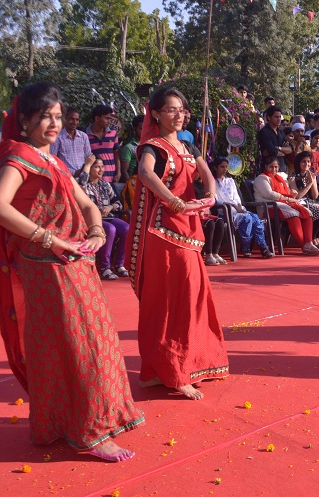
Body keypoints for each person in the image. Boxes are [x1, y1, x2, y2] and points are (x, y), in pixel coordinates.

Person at [0, 81, 144, 461]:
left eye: (57, 116)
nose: (54, 124)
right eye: (45, 117)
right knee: (77, 345)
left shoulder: (51, 160)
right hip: (47, 266)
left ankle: (61, 423)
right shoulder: (19, 157)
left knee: (81, 342)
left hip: (75, 261)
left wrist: (97, 231)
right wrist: (49, 239)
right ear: (25, 121)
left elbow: (87, 204)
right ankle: (91, 430)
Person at [127, 86, 229, 399]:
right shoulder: (152, 147)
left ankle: (165, 368)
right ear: (156, 114)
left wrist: (210, 194)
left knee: (191, 297)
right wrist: (171, 199)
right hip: (165, 231)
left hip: (189, 229)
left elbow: (206, 173)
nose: (178, 115)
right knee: (172, 300)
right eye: (171, 109)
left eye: (181, 109)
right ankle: (173, 370)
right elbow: (145, 173)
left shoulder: (187, 144)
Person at [254, 155, 319, 255]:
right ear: (266, 167)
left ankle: (309, 243)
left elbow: (285, 192)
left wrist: (291, 194)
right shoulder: (261, 178)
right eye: (271, 167)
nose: (274, 169)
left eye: (276, 167)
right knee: (292, 214)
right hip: (268, 207)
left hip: (283, 204)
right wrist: (288, 198)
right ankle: (303, 245)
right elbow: (269, 194)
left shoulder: (279, 178)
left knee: (307, 213)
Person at [75, 158, 129, 280]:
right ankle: (104, 267)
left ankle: (119, 264)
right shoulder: (83, 184)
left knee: (126, 228)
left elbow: (118, 203)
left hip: (107, 217)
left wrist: (110, 207)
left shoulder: (105, 184)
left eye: (102, 167)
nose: (101, 170)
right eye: (97, 167)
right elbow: (81, 185)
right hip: (92, 220)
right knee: (110, 229)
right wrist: (87, 165)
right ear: (89, 169)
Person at [211, 157, 274, 258]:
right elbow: (215, 200)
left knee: (256, 219)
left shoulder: (230, 181)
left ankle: (263, 248)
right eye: (222, 167)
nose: (225, 169)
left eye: (226, 167)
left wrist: (239, 206)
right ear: (215, 167)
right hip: (225, 211)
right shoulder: (212, 182)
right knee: (247, 219)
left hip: (237, 209)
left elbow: (236, 197)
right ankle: (246, 247)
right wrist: (233, 205)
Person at [288, 151, 319, 248]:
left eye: (308, 161)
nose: (306, 164)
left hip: (312, 201)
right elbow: (298, 196)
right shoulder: (292, 177)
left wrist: (313, 180)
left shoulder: (311, 175)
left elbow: (315, 196)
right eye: (303, 161)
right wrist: (310, 184)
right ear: (298, 163)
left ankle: (316, 235)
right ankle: (312, 238)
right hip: (300, 203)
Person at [51, 107, 94, 175]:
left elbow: (89, 157)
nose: (75, 122)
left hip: (83, 176)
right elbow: (53, 160)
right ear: (65, 119)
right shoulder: (57, 137)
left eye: (77, 120)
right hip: (66, 176)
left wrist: (85, 170)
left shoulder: (83, 136)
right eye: (72, 119)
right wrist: (74, 172)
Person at [85, 105, 121, 183]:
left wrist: (118, 173)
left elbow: (116, 154)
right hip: (93, 180)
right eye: (106, 118)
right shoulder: (84, 135)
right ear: (97, 118)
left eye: (110, 119)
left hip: (112, 179)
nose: (109, 121)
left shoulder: (113, 133)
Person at [257, 105, 292, 172]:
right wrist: (284, 151)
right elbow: (273, 151)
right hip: (269, 170)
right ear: (269, 118)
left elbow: (290, 149)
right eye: (276, 117)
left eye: (280, 117)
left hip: (283, 168)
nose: (279, 119)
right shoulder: (264, 132)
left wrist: (279, 148)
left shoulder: (281, 132)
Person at [120, 115, 143, 210]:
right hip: (134, 185)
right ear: (134, 129)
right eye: (140, 128)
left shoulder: (150, 145)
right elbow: (124, 171)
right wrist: (130, 187)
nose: (143, 131)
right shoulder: (129, 148)